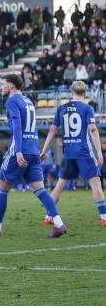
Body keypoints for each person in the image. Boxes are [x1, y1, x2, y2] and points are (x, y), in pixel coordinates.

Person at [0, 74, 65, 238]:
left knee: (2, 187)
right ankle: (59, 224)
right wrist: (37, 150)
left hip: (19, 150)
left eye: (3, 84)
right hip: (33, 149)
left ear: (11, 86)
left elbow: (17, 128)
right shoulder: (28, 101)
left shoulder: (11, 101)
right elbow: (33, 126)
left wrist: (17, 151)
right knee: (39, 189)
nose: (1, 87)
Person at [40, 81, 105, 226]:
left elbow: (52, 131)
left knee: (60, 185)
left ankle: (49, 216)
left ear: (71, 92)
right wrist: (99, 153)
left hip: (68, 152)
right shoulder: (87, 108)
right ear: (85, 93)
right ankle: (105, 217)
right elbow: (93, 130)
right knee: (95, 183)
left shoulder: (62, 108)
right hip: (83, 152)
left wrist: (43, 151)